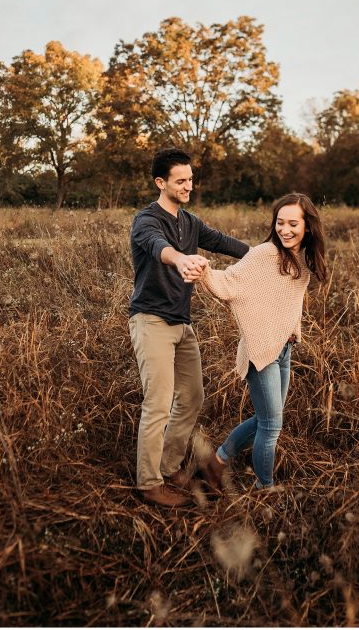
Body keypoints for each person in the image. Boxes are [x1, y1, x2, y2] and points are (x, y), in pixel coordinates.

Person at [128, 148, 250, 508]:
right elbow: (158, 247)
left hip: (182, 324)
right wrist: (181, 259)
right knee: (158, 403)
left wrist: (266, 254)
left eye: (191, 180)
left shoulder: (191, 222)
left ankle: (168, 467)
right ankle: (149, 484)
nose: (188, 186)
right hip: (151, 321)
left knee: (192, 397)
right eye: (180, 181)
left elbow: (224, 243)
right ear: (160, 182)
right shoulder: (146, 220)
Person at [197, 193, 327, 492]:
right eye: (280, 223)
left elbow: (287, 299)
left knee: (266, 419)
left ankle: (216, 463)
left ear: (308, 226)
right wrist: (203, 271)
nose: (285, 230)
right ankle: (264, 488)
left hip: (284, 348)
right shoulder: (265, 253)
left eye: (293, 224)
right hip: (262, 351)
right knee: (271, 426)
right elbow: (229, 282)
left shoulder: (303, 257)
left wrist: (292, 331)